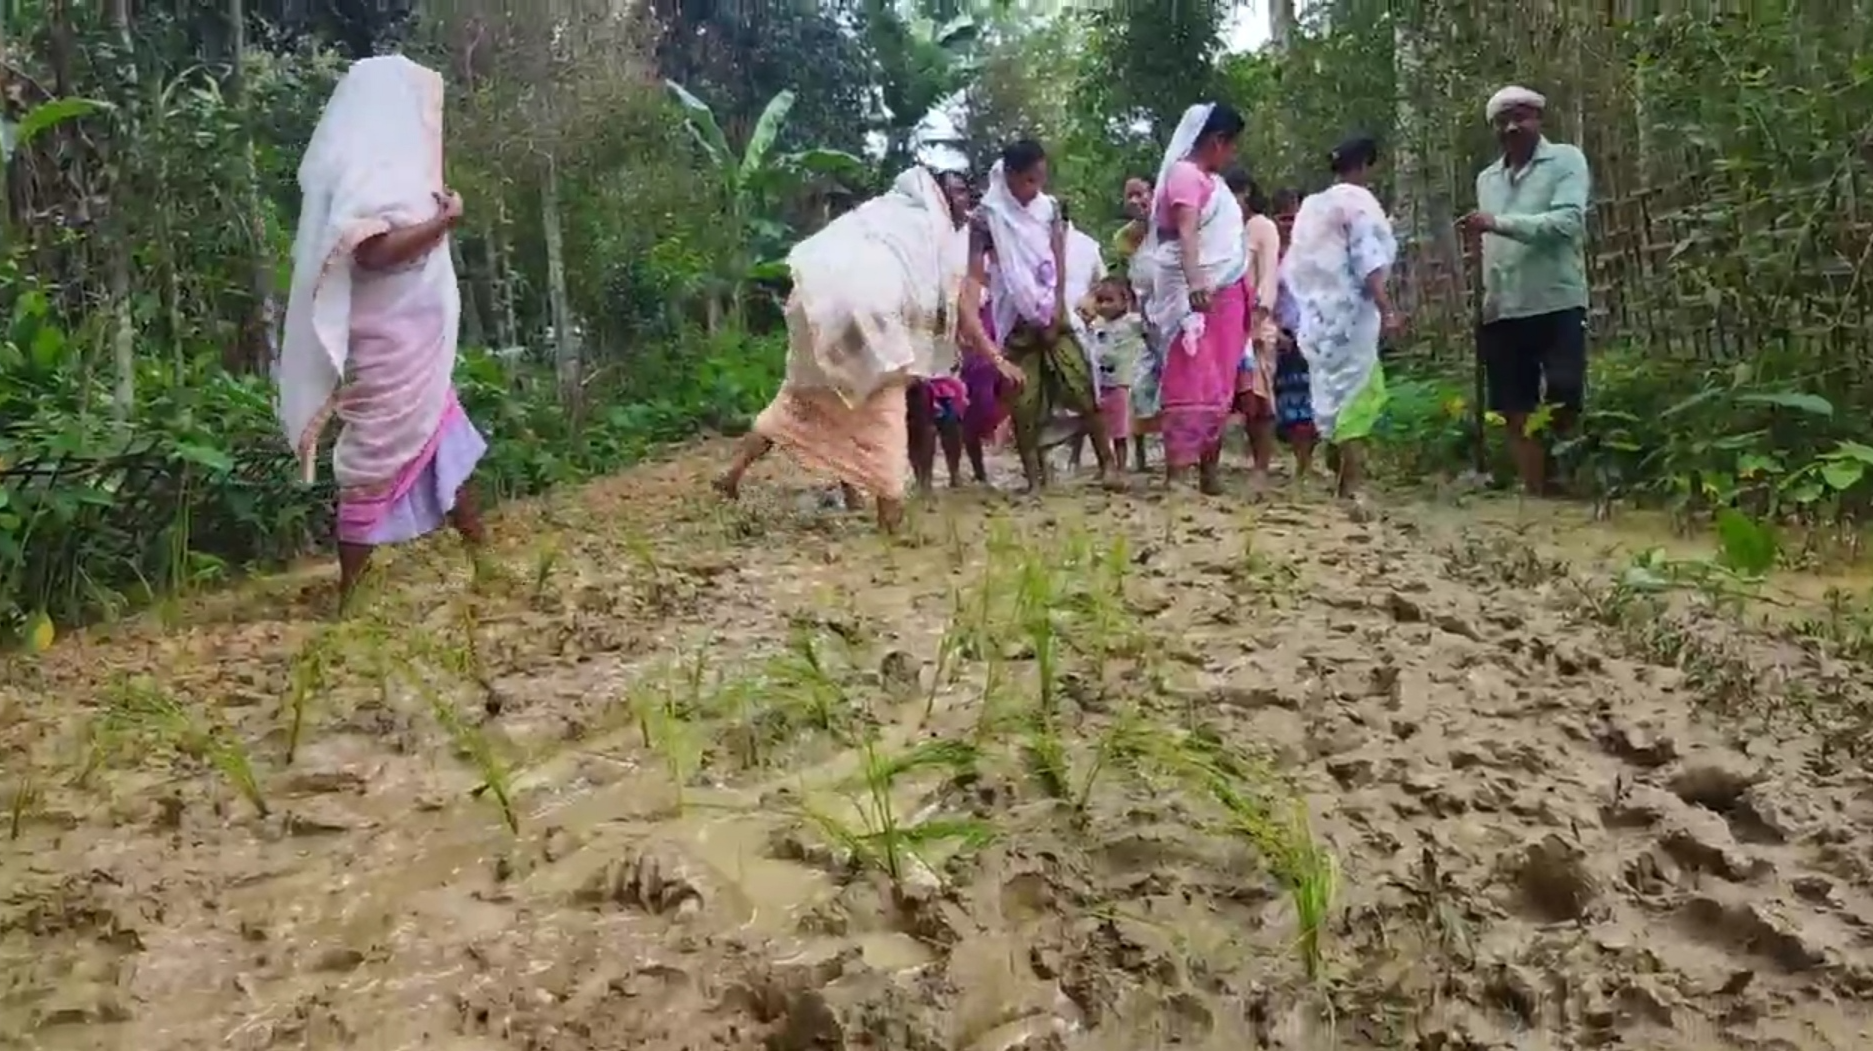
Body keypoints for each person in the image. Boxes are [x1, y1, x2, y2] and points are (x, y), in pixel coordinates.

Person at [277, 56, 488, 608]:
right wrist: (444, 223)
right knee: (370, 461)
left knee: (447, 441)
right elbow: (371, 252)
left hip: (418, 348)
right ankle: (351, 594)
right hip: (389, 344)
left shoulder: (395, 169)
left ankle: (482, 556)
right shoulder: (367, 172)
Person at [713, 166, 993, 530]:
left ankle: (732, 472)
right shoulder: (931, 229)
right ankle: (889, 518)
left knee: (797, 400)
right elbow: (935, 296)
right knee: (886, 415)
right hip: (871, 317)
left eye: (965, 196)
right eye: (957, 194)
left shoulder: (884, 209)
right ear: (940, 192)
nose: (962, 203)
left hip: (819, 306)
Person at [961, 139, 1118, 491]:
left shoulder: (1049, 209)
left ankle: (1108, 464)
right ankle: (1035, 479)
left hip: (1054, 313)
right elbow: (974, 273)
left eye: (1041, 180)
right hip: (1015, 318)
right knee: (1024, 401)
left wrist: (1057, 306)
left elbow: (1058, 256)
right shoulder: (988, 217)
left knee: (1081, 385)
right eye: (1029, 180)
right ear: (1011, 177)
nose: (1036, 188)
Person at [1461, 85, 1591, 496]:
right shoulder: (1487, 179)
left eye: (1522, 116)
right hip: (1503, 305)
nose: (1514, 126)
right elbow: (1488, 243)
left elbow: (1567, 222)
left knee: (1565, 390)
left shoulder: (1566, 161)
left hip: (1555, 298)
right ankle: (1534, 487)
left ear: (1539, 119)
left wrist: (1499, 223)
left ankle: (1561, 470)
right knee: (1513, 401)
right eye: (1504, 121)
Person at [1134, 103, 1249, 494]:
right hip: (1194, 295)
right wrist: (1197, 280)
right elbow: (1187, 233)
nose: (1232, 155)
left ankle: (1208, 473)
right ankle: (1179, 473)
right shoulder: (1185, 175)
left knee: (1217, 381)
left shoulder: (1214, 184)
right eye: (1231, 146)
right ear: (1217, 141)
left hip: (1224, 296)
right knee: (1189, 378)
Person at [1281, 135, 1400, 505]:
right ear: (1366, 165)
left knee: (1329, 394)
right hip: (1351, 317)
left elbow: (1297, 265)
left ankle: (1338, 471)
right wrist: (1387, 308)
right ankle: (1352, 483)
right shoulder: (1358, 204)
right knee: (1357, 395)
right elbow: (1368, 260)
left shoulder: (1313, 207)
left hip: (1318, 319)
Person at [910, 169, 976, 493]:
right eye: (947, 192)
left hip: (951, 338)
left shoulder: (971, 235)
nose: (954, 198)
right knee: (919, 415)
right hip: (919, 335)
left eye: (961, 191)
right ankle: (923, 481)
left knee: (952, 416)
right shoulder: (920, 235)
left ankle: (954, 475)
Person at [1227, 166, 1282, 482]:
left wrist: (1260, 314)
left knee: (1258, 396)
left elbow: (1268, 273)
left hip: (1256, 321)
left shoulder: (1262, 227)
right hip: (1230, 322)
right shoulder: (1227, 230)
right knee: (1237, 395)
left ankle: (1261, 466)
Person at [1267, 189, 1318, 482]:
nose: (1289, 223)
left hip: (1314, 332)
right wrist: (1274, 329)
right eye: (1283, 217)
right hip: (1284, 334)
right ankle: (1302, 463)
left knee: (1316, 400)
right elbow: (1263, 296)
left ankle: (1314, 458)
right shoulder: (1269, 255)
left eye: (1294, 217)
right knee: (1293, 403)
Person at [1081, 276, 1146, 473]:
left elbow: (1150, 322)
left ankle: (1122, 466)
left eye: (1110, 300)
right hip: (1100, 384)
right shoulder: (1097, 324)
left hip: (1122, 384)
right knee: (1102, 426)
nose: (1104, 305)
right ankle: (1106, 465)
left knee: (1121, 429)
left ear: (1125, 301)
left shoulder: (1132, 322)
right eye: (1100, 300)